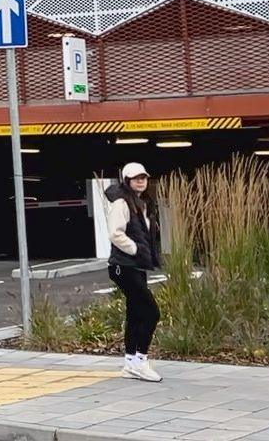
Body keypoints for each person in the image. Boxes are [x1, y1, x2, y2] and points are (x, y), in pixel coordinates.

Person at [106, 161, 163, 382]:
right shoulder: (122, 202)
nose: (141, 181)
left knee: (136, 312)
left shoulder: (140, 202)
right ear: (127, 181)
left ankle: (131, 362)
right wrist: (136, 249)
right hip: (124, 266)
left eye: (144, 177)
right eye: (136, 178)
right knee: (151, 312)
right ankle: (140, 360)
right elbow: (115, 233)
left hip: (134, 266)